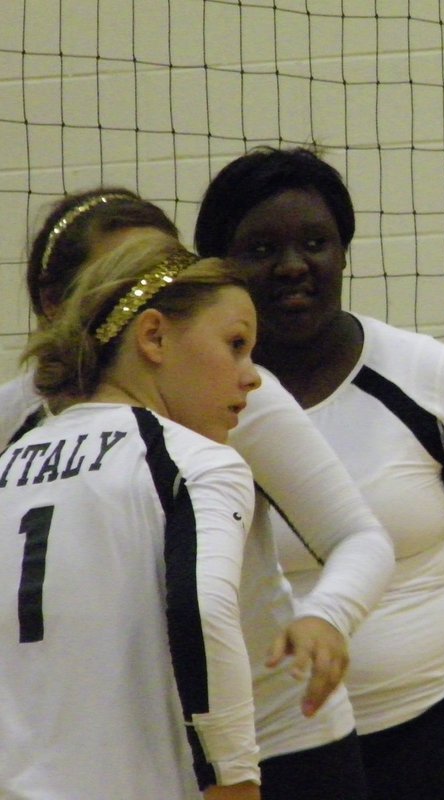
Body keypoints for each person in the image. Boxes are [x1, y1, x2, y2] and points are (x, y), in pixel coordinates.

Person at [194, 145, 444, 800]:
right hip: (277, 756)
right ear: (218, 267)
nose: (294, 266)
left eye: (315, 242)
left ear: (343, 252)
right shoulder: (190, 407)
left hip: (440, 733)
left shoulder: (430, 382)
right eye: (262, 249)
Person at [0, 188, 395, 800]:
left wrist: (328, 614)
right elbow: (199, 614)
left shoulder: (229, 400)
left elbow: (359, 534)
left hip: (271, 731)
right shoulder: (30, 423)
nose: (161, 284)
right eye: (130, 275)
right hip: (158, 755)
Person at [0, 229, 263, 799]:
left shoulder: (8, 462)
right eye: (236, 344)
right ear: (154, 337)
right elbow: (205, 612)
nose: (253, 375)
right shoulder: (196, 463)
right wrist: (235, 780)